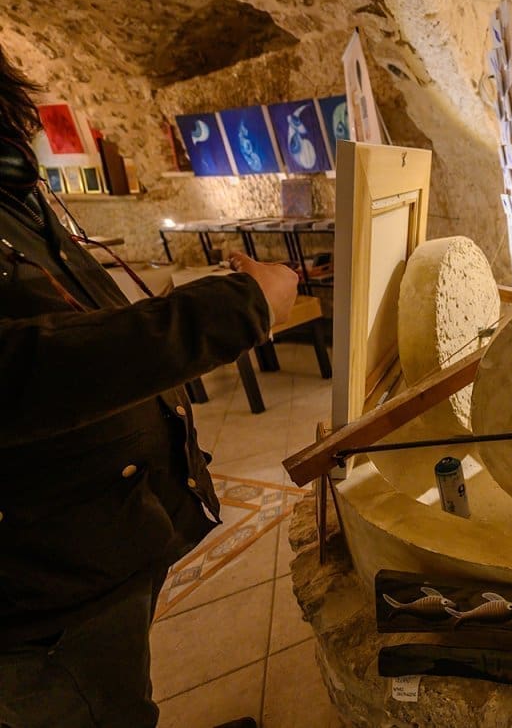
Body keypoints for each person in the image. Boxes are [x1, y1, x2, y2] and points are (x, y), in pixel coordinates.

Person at [0, 46, 298, 727]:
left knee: (120, 686)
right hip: (41, 575)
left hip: (102, 530)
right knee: (90, 705)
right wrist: (238, 307)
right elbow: (22, 367)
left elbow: (70, 323)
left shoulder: (15, 191)